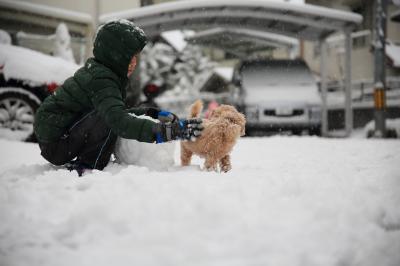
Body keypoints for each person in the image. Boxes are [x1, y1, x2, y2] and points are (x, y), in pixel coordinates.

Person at [34, 19, 203, 176]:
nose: (134, 63)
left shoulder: (103, 74)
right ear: (115, 56)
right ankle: (87, 166)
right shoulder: (102, 80)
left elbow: (114, 110)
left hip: (61, 137)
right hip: (57, 143)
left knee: (109, 116)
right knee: (111, 120)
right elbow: (117, 120)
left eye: (136, 58)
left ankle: (89, 161)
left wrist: (149, 112)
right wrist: (169, 132)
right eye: (131, 57)